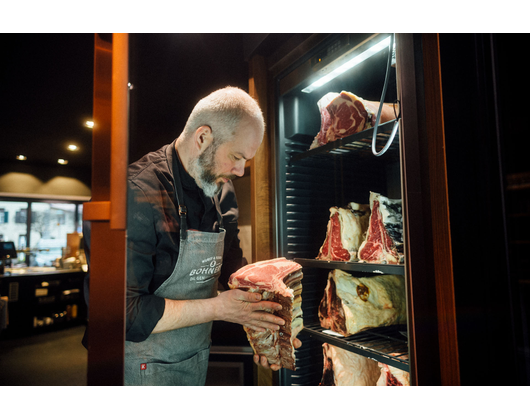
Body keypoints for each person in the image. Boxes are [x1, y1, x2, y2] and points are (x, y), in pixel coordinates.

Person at [121, 86, 300, 385]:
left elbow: (233, 268)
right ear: (202, 138)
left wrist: (266, 330)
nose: (241, 171)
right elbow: (125, 314)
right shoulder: (137, 192)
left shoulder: (222, 190)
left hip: (194, 357)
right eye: (236, 157)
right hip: (139, 364)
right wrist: (218, 307)